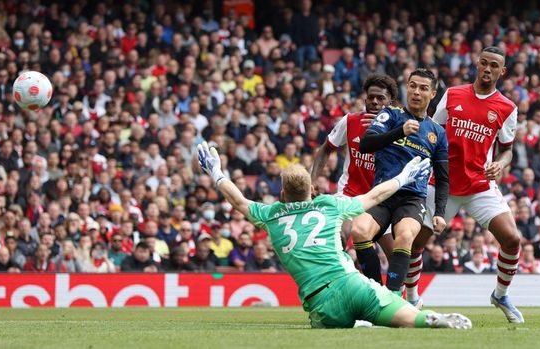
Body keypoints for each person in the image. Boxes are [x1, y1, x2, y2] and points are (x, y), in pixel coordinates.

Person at [197, 142, 470, 329]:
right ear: (311, 190)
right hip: (351, 283)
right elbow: (374, 195)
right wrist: (404, 177)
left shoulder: (270, 215)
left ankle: (365, 324)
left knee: (337, 325)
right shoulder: (330, 204)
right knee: (405, 317)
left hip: (322, 304)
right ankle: (428, 320)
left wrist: (217, 173)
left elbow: (239, 201)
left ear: (282, 195)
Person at [411, 47, 524, 323]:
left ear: (502, 71)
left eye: (494, 66)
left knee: (512, 239)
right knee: (415, 243)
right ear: (477, 64)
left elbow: (508, 149)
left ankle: (500, 294)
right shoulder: (453, 94)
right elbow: (431, 129)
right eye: (483, 63)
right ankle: (412, 298)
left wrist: (501, 163)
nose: (487, 69)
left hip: (479, 185)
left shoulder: (508, 108)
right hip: (442, 184)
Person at [351, 68, 449, 294]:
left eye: (423, 88)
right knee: (359, 230)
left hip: (412, 199)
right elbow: (366, 144)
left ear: (432, 94)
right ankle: (377, 293)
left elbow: (443, 178)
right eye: (413, 86)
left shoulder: (437, 132)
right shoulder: (391, 115)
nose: (416, 92)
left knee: (405, 237)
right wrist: (399, 132)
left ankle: (394, 297)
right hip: (382, 194)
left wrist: (440, 212)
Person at [311, 75, 398, 257]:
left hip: (381, 198)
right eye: (371, 97)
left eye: (380, 98)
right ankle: (336, 280)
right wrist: (311, 181)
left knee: (396, 256)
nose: (375, 102)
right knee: (341, 235)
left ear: (391, 102)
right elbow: (326, 149)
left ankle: (390, 285)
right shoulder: (350, 121)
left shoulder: (399, 129)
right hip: (350, 192)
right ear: (365, 99)